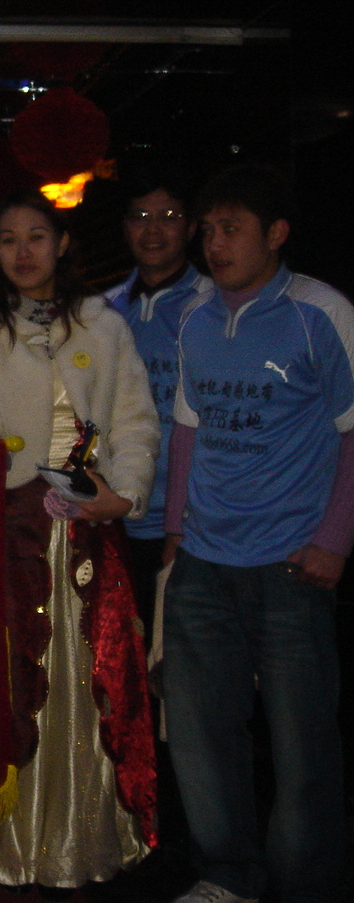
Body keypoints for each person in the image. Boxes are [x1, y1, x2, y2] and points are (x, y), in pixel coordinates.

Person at [0, 190, 158, 890]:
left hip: (90, 526)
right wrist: (5, 473)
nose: (24, 252)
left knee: (92, 680)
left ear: (63, 242)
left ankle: (84, 838)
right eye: (8, 239)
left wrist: (122, 494)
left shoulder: (103, 323)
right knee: (14, 678)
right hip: (12, 528)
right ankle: (8, 842)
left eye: (37, 236)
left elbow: (135, 420)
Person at [161, 163, 351, 903]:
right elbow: (187, 429)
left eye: (231, 228)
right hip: (204, 560)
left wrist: (335, 540)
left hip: (291, 562)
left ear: (276, 233)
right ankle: (226, 877)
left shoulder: (320, 313)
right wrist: (175, 537)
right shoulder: (195, 316)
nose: (214, 244)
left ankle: (305, 886)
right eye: (208, 229)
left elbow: (352, 431)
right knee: (203, 736)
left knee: (303, 746)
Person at [103, 165, 210, 640]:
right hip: (113, 516)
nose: (152, 229)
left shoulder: (213, 305)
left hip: (194, 526)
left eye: (168, 216)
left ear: (191, 227)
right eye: (140, 216)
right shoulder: (100, 312)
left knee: (185, 659)